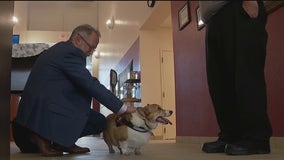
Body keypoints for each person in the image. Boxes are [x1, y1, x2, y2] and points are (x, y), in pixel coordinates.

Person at [12, 24, 136, 157]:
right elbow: (90, 84)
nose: (91, 52)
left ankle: (62, 142)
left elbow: (84, 83)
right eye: (91, 47)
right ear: (78, 39)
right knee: (98, 120)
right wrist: (122, 108)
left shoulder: (62, 50)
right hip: (33, 128)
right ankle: (42, 136)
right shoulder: (69, 53)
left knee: (98, 121)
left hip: (38, 117)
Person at [199, 1, 272, 155]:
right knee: (219, 83)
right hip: (213, 18)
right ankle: (230, 135)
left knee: (246, 76)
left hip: (237, 8)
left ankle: (257, 139)